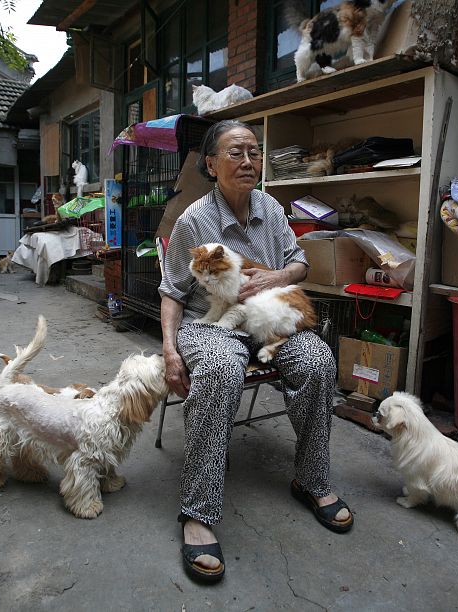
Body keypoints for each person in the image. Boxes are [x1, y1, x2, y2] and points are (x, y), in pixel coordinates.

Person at [159, 120, 353, 584]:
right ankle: (199, 511)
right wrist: (169, 349)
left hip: (266, 316)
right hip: (210, 323)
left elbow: (300, 263)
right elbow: (171, 291)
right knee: (223, 367)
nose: (248, 161)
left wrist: (278, 277)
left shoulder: (271, 207)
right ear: (210, 165)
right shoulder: (193, 221)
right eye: (235, 153)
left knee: (318, 360)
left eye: (254, 152)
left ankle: (311, 480)